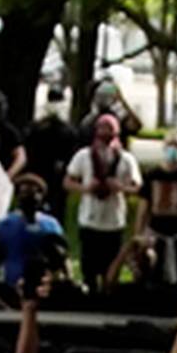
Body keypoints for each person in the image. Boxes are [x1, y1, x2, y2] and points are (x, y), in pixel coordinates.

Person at [63, 112, 141, 290]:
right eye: (102, 129)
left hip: (114, 222)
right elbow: (68, 181)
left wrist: (120, 187)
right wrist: (85, 188)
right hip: (90, 220)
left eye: (110, 130)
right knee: (89, 268)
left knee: (110, 269)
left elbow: (137, 187)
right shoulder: (84, 156)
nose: (105, 135)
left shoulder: (126, 160)